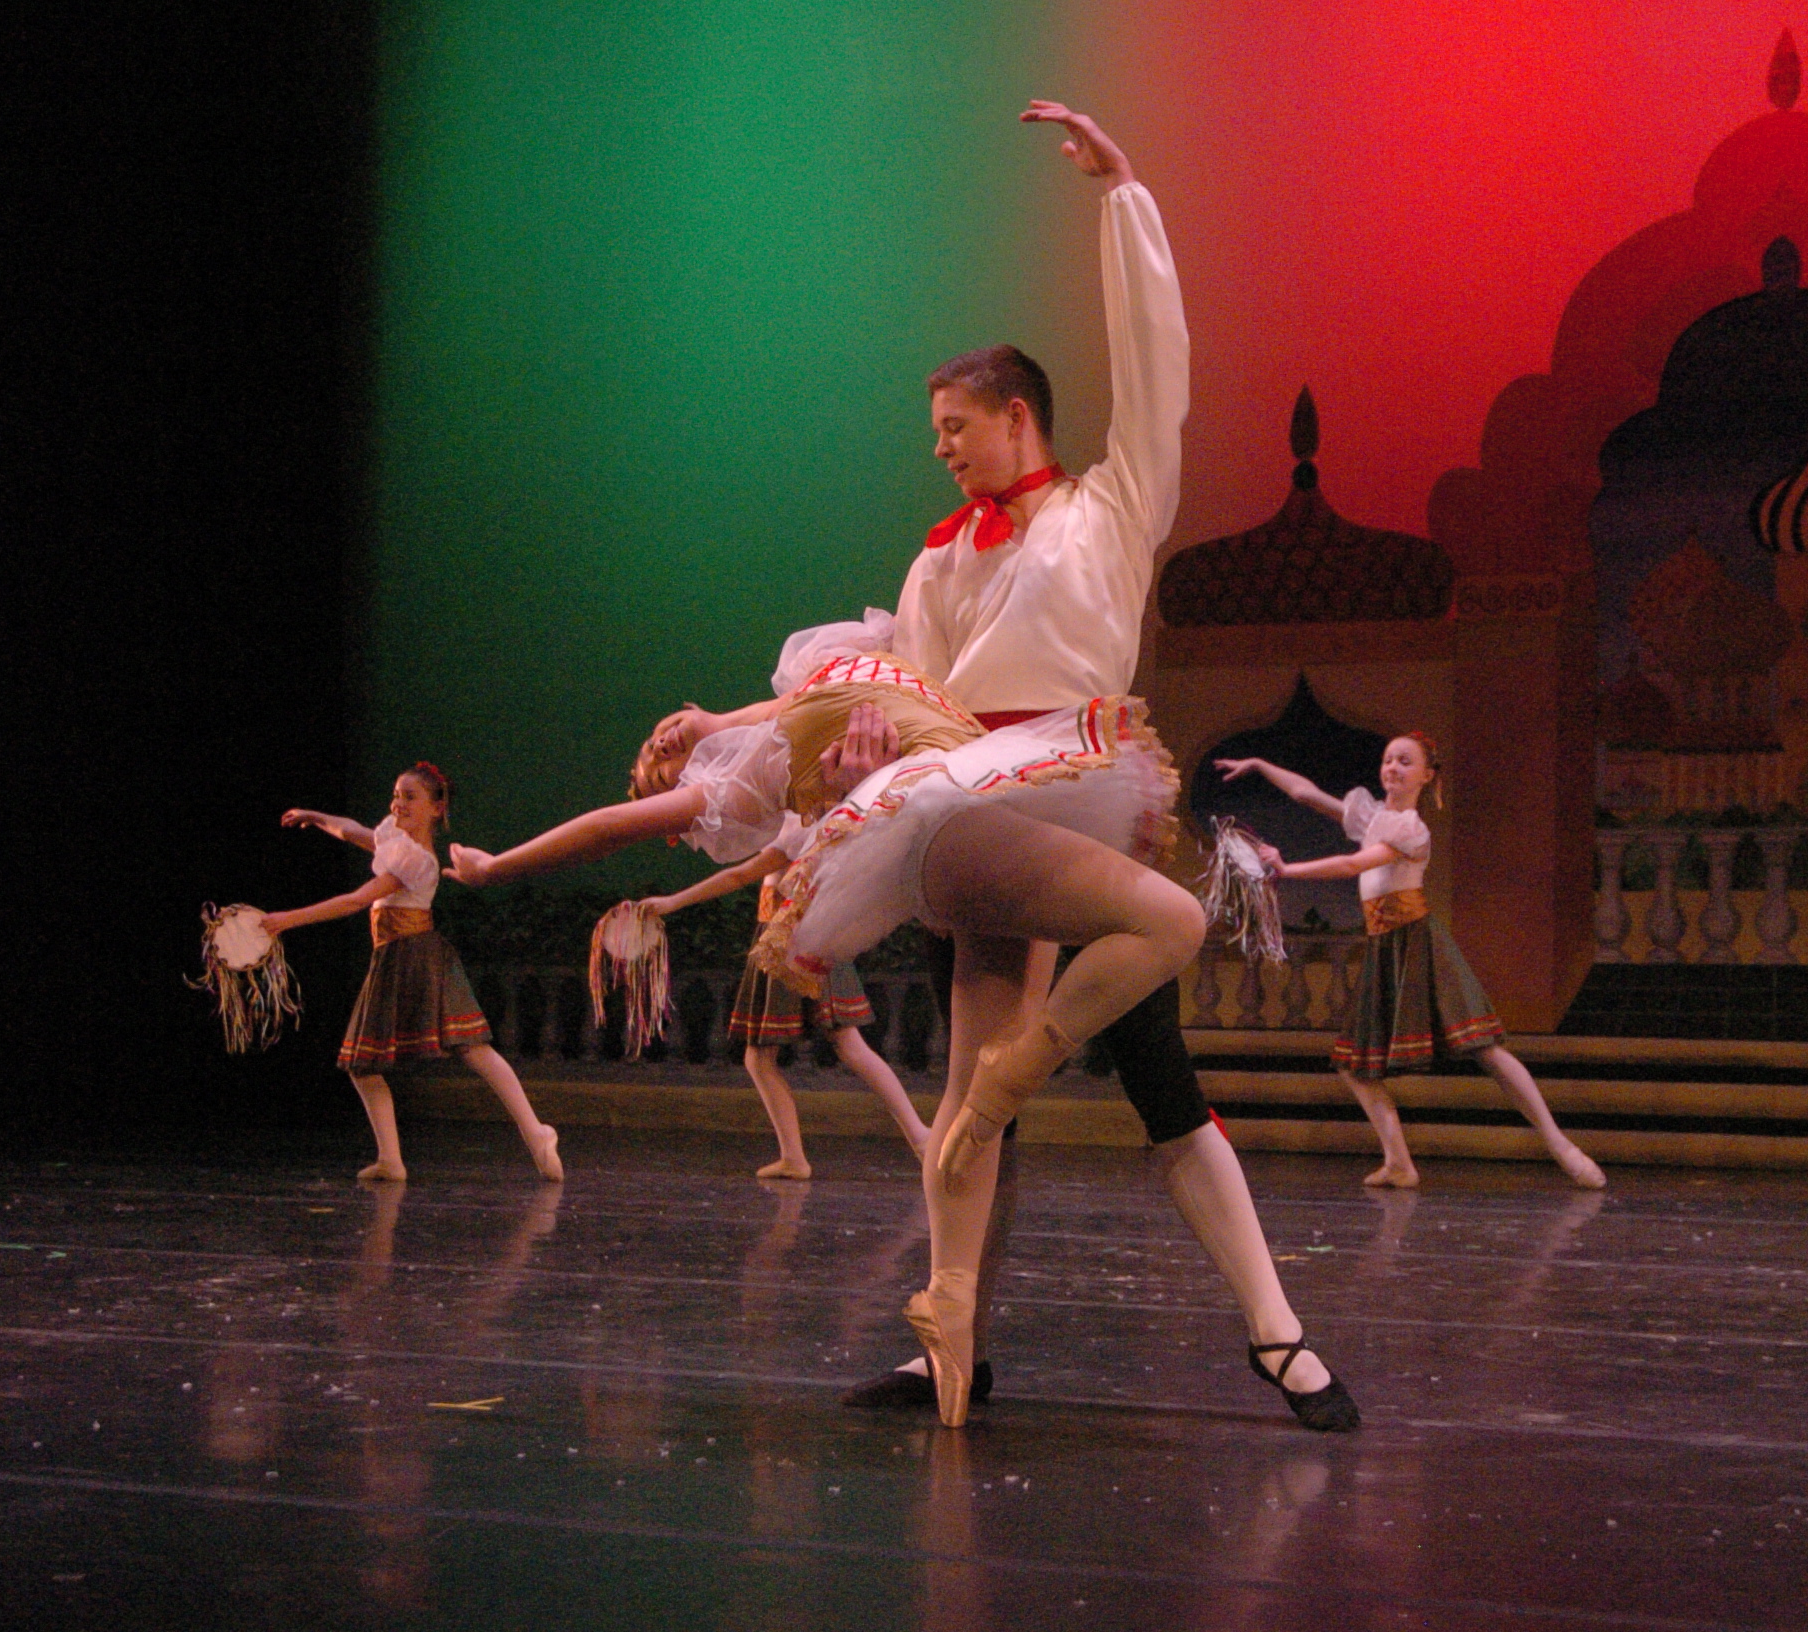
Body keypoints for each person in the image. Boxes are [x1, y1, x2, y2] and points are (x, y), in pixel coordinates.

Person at [653, 102, 1357, 1431]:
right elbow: (899, 694)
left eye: (954, 425)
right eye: (934, 430)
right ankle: (952, 1345)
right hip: (974, 824)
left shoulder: (1110, 510)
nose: (940, 446)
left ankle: (1277, 1335)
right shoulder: (939, 562)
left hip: (1085, 808)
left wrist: (1123, 197)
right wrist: (821, 736)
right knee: (973, 1104)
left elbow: (1158, 374)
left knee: (1157, 1089)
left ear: (1017, 415)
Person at [446, 641, 1222, 1425]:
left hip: (992, 803)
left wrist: (730, 720)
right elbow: (609, 828)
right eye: (660, 771)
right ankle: (1018, 1070)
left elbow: (827, 690)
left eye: (657, 740)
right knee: (1171, 921)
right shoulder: (740, 784)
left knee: (970, 1106)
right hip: (948, 826)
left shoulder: (793, 694)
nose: (660, 748)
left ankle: (952, 1322)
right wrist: (496, 868)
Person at [1218, 735, 1606, 1192]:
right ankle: (1398, 1163)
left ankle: (1561, 1146)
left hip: (1417, 942)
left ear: (1427, 776)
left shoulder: (1411, 829)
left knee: (1484, 1048)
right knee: (1354, 1065)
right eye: (1388, 760)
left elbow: (1353, 865)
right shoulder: (1372, 818)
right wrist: (1259, 763)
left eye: (1405, 761)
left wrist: (1287, 869)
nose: (1393, 767)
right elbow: (1306, 793)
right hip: (1384, 947)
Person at [261, 763, 561, 1184]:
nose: (398, 803)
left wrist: (285, 920)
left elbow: (356, 900)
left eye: (410, 797)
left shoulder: (416, 860)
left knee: (471, 1048)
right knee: (363, 1064)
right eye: (396, 795)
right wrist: (316, 816)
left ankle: (535, 1131)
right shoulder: (396, 842)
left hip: (417, 957)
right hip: (393, 958)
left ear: (436, 808)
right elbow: (353, 831)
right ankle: (390, 1160)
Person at [634, 812, 931, 1175]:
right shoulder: (810, 818)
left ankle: (904, 1138)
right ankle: (906, 1137)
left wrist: (674, 901)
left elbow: (739, 875)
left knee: (775, 1055)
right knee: (834, 1046)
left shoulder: (799, 823)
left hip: (788, 934)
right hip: (798, 929)